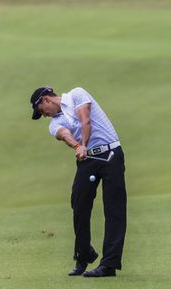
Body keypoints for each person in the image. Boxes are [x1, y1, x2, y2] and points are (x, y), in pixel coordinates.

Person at [29, 86, 127, 278]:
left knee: (114, 209)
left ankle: (109, 264)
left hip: (111, 154)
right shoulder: (53, 124)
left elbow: (86, 121)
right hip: (87, 159)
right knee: (79, 204)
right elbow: (65, 134)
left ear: (46, 99)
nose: (45, 116)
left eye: (42, 111)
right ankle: (84, 254)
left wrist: (83, 144)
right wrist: (77, 145)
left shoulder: (77, 95)